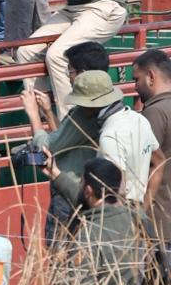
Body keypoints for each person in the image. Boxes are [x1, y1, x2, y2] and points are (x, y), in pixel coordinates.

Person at [20, 41, 110, 238]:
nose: (68, 76)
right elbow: (67, 140)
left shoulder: (85, 112)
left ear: (82, 74)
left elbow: (46, 147)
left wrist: (33, 115)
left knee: (59, 251)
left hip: (69, 192)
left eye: (70, 71)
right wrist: (48, 113)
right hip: (85, 192)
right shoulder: (103, 105)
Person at [43, 70, 158, 206]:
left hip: (120, 209)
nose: (79, 108)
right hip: (135, 205)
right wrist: (144, 209)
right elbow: (158, 161)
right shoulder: (139, 120)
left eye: (81, 103)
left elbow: (115, 189)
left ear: (91, 106)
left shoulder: (109, 136)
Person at [133, 49, 171, 245]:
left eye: (137, 79)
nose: (135, 86)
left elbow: (150, 165)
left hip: (151, 219)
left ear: (151, 76)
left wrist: (139, 214)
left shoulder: (155, 112)